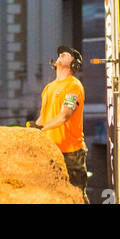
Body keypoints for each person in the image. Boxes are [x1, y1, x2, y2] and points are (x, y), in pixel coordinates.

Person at [28, 47, 88, 202]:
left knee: (76, 197)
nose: (61, 54)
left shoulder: (73, 86)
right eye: (60, 53)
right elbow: (43, 117)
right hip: (50, 151)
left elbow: (65, 115)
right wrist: (31, 130)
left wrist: (41, 128)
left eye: (67, 54)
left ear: (74, 64)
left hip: (71, 153)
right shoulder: (49, 88)